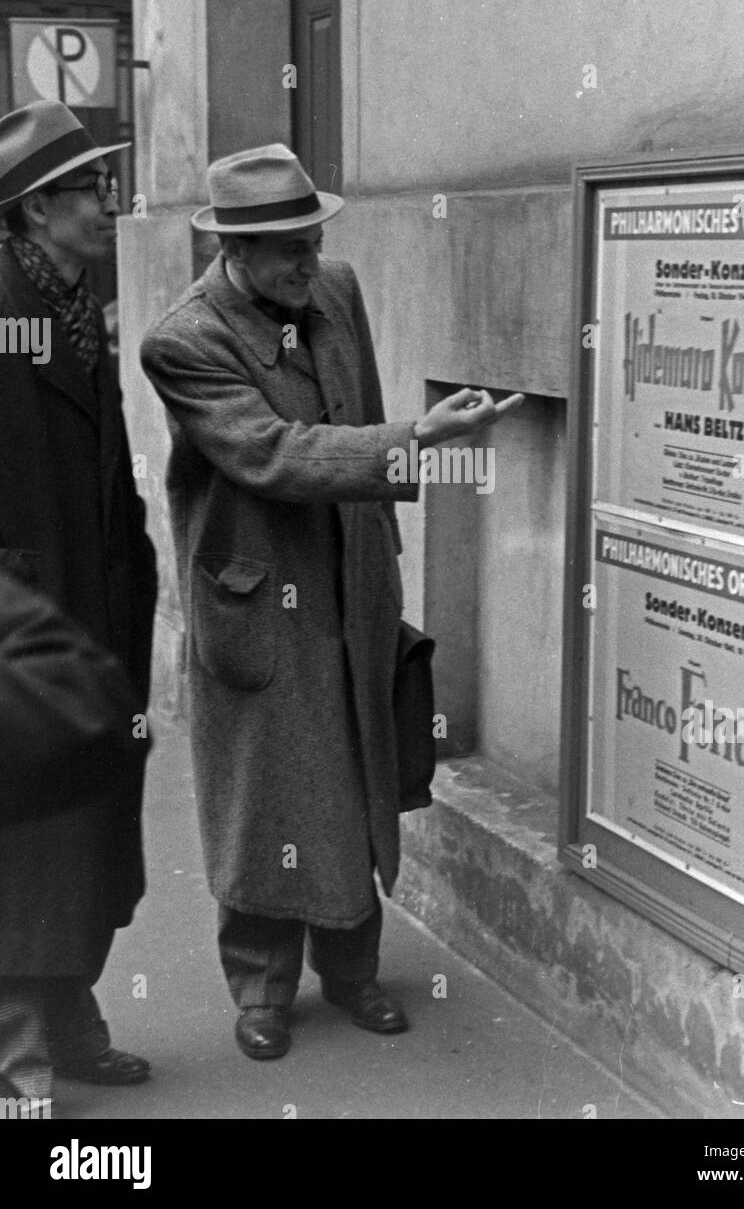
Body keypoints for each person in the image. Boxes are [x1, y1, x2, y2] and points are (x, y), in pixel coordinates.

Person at [141, 143, 522, 1059]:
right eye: (285, 250)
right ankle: (262, 993)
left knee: (356, 777)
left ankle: (353, 976)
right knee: (262, 799)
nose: (306, 263)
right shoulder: (185, 340)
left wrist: (384, 540)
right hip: (257, 594)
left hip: (349, 576)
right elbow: (270, 452)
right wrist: (419, 438)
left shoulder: (334, 289)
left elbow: (361, 409)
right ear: (234, 249)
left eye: (312, 241)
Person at [0, 101, 157, 1099]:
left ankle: (70, 1021)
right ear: (34, 209)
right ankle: (19, 1066)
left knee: (84, 832)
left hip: (92, 606)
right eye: (91, 191)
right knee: (24, 848)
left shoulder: (70, 300)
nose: (110, 206)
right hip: (26, 625)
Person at [0, 569, 149, 1111]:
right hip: (31, 598)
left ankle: (63, 1026)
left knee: (78, 865)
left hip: (82, 610)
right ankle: (21, 1080)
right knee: (22, 878)